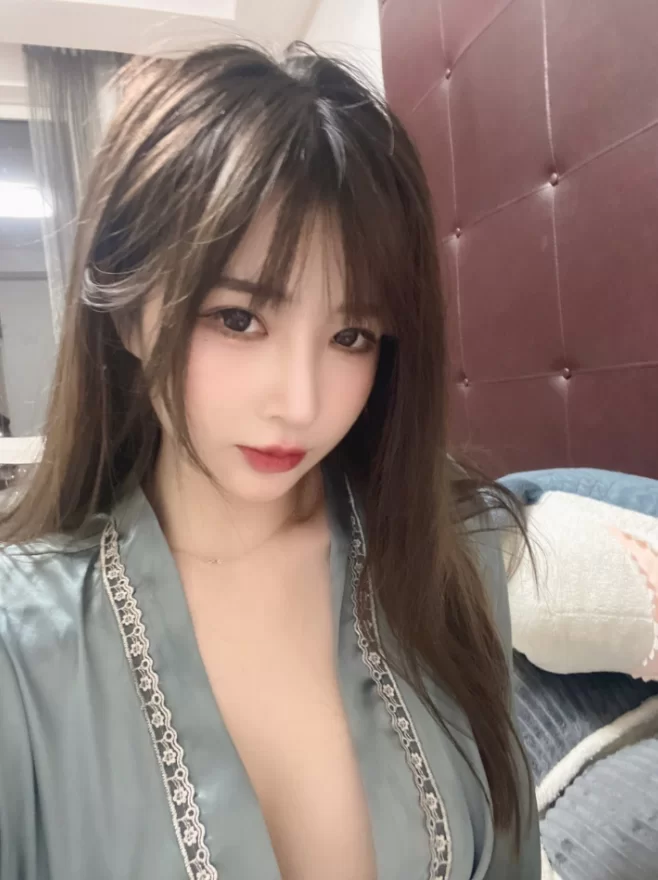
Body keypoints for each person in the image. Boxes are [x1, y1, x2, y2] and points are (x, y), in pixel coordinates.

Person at [0, 42, 540, 880]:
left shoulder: (448, 555)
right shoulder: (21, 646)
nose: (300, 401)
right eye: (239, 319)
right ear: (127, 309)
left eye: (351, 335)